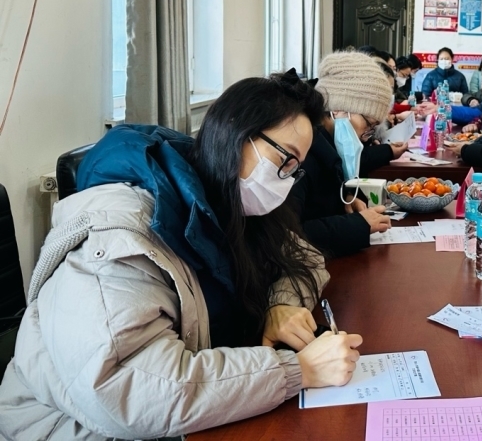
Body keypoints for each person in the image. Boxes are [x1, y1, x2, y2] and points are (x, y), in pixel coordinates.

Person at [0, 74, 363, 440]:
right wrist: (297, 370)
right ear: (237, 134)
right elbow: (130, 390)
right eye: (283, 160)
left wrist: (280, 305)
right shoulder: (122, 236)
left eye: (294, 169)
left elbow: (305, 256)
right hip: (72, 426)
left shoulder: (231, 201)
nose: (284, 180)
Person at [288, 51, 394, 258]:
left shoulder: (327, 145)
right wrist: (358, 224)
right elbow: (289, 234)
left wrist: (345, 200)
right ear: (338, 109)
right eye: (368, 124)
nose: (365, 137)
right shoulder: (300, 152)